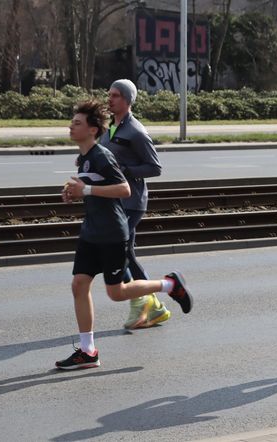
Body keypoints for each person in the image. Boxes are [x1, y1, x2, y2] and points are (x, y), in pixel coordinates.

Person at [56, 99, 193, 370]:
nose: (71, 126)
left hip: (112, 235)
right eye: (72, 122)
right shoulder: (84, 157)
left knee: (116, 293)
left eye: (77, 123)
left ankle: (169, 285)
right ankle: (88, 351)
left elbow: (123, 189)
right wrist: (73, 193)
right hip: (91, 233)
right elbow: (90, 187)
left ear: (93, 130)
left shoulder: (102, 155)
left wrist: (86, 191)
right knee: (79, 285)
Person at [99, 79, 169, 331]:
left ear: (127, 100)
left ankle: (146, 302)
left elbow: (155, 167)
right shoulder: (111, 128)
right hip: (116, 201)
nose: (110, 99)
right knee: (126, 253)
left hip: (132, 202)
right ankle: (152, 305)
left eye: (116, 95)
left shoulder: (136, 132)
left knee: (121, 251)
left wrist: (127, 169)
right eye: (109, 94)